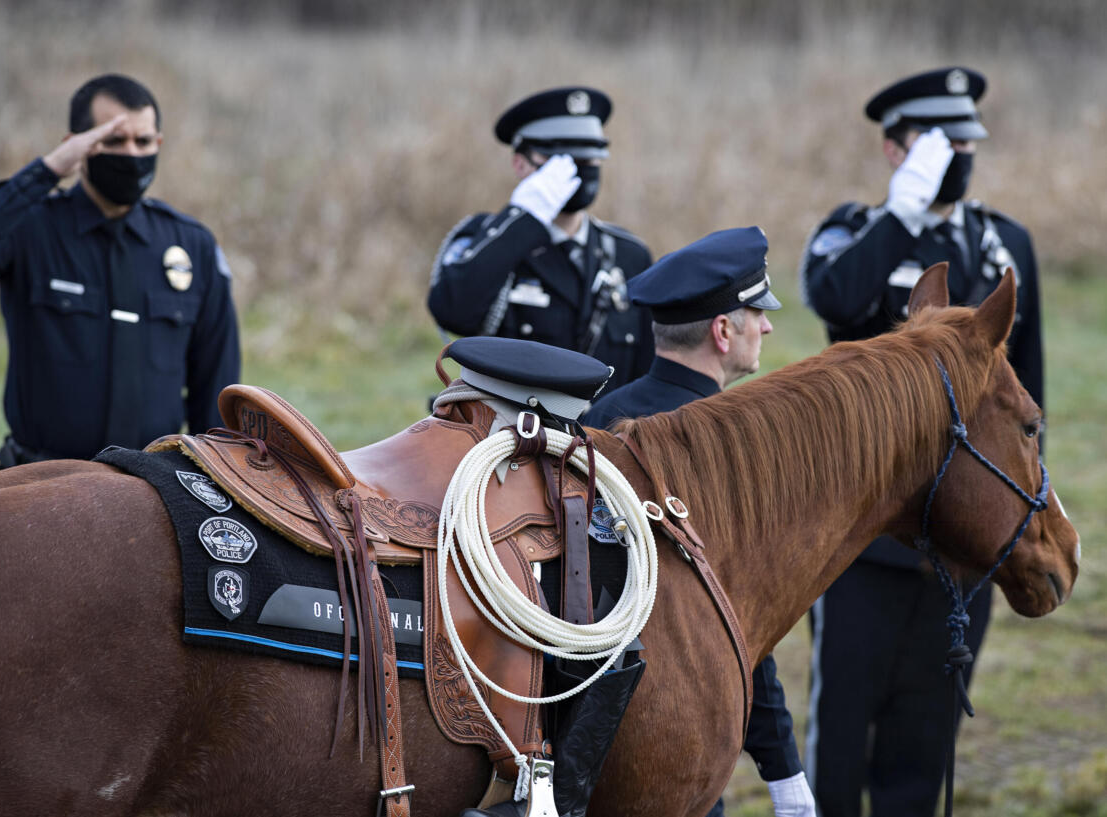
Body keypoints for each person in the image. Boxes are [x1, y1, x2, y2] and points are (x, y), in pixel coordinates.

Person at [798, 67, 1043, 817]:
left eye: (966, 141)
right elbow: (836, 299)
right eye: (939, 142)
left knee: (927, 736)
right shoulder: (855, 230)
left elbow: (1028, 399)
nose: (958, 156)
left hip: (964, 531)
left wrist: (1020, 511)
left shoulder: (1007, 242)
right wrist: (902, 214)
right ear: (893, 147)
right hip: (862, 537)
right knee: (840, 732)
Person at [585, 227, 816, 817]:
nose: (765, 327)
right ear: (722, 331)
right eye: (755, 313)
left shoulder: (601, 415)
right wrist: (785, 771)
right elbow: (738, 623)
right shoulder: (727, 448)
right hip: (673, 748)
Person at [0, 73, 240, 471]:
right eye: (112, 141)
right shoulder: (31, 227)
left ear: (158, 144)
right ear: (77, 147)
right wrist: (48, 171)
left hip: (154, 487)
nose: (131, 154)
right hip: (43, 481)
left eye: (143, 141)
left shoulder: (191, 245)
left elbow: (215, 389)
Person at [428, 86, 654, 393]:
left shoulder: (630, 255)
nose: (581, 168)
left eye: (589, 157)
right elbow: (453, 310)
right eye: (562, 157)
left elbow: (644, 375)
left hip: (604, 437)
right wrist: (524, 219)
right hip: (513, 436)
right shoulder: (488, 240)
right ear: (521, 163)